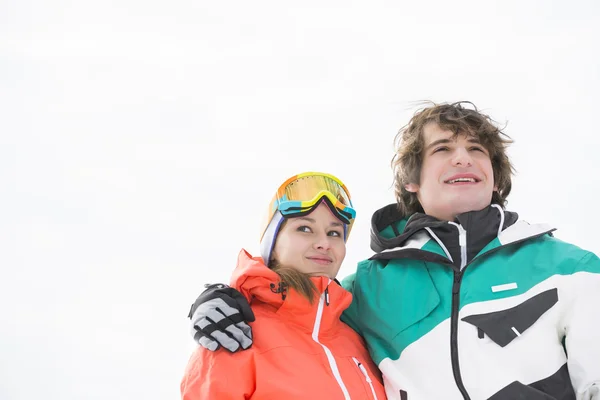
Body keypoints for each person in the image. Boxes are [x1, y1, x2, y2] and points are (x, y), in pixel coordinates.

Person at [188, 102, 600, 400]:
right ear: (412, 182)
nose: (464, 159)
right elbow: (302, 311)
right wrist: (226, 296)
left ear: (495, 178)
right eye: (442, 149)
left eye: (477, 150)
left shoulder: (572, 269)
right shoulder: (370, 288)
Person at [180, 172, 387, 400]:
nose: (324, 243)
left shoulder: (358, 340)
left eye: (334, 233)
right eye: (305, 229)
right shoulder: (232, 332)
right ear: (274, 244)